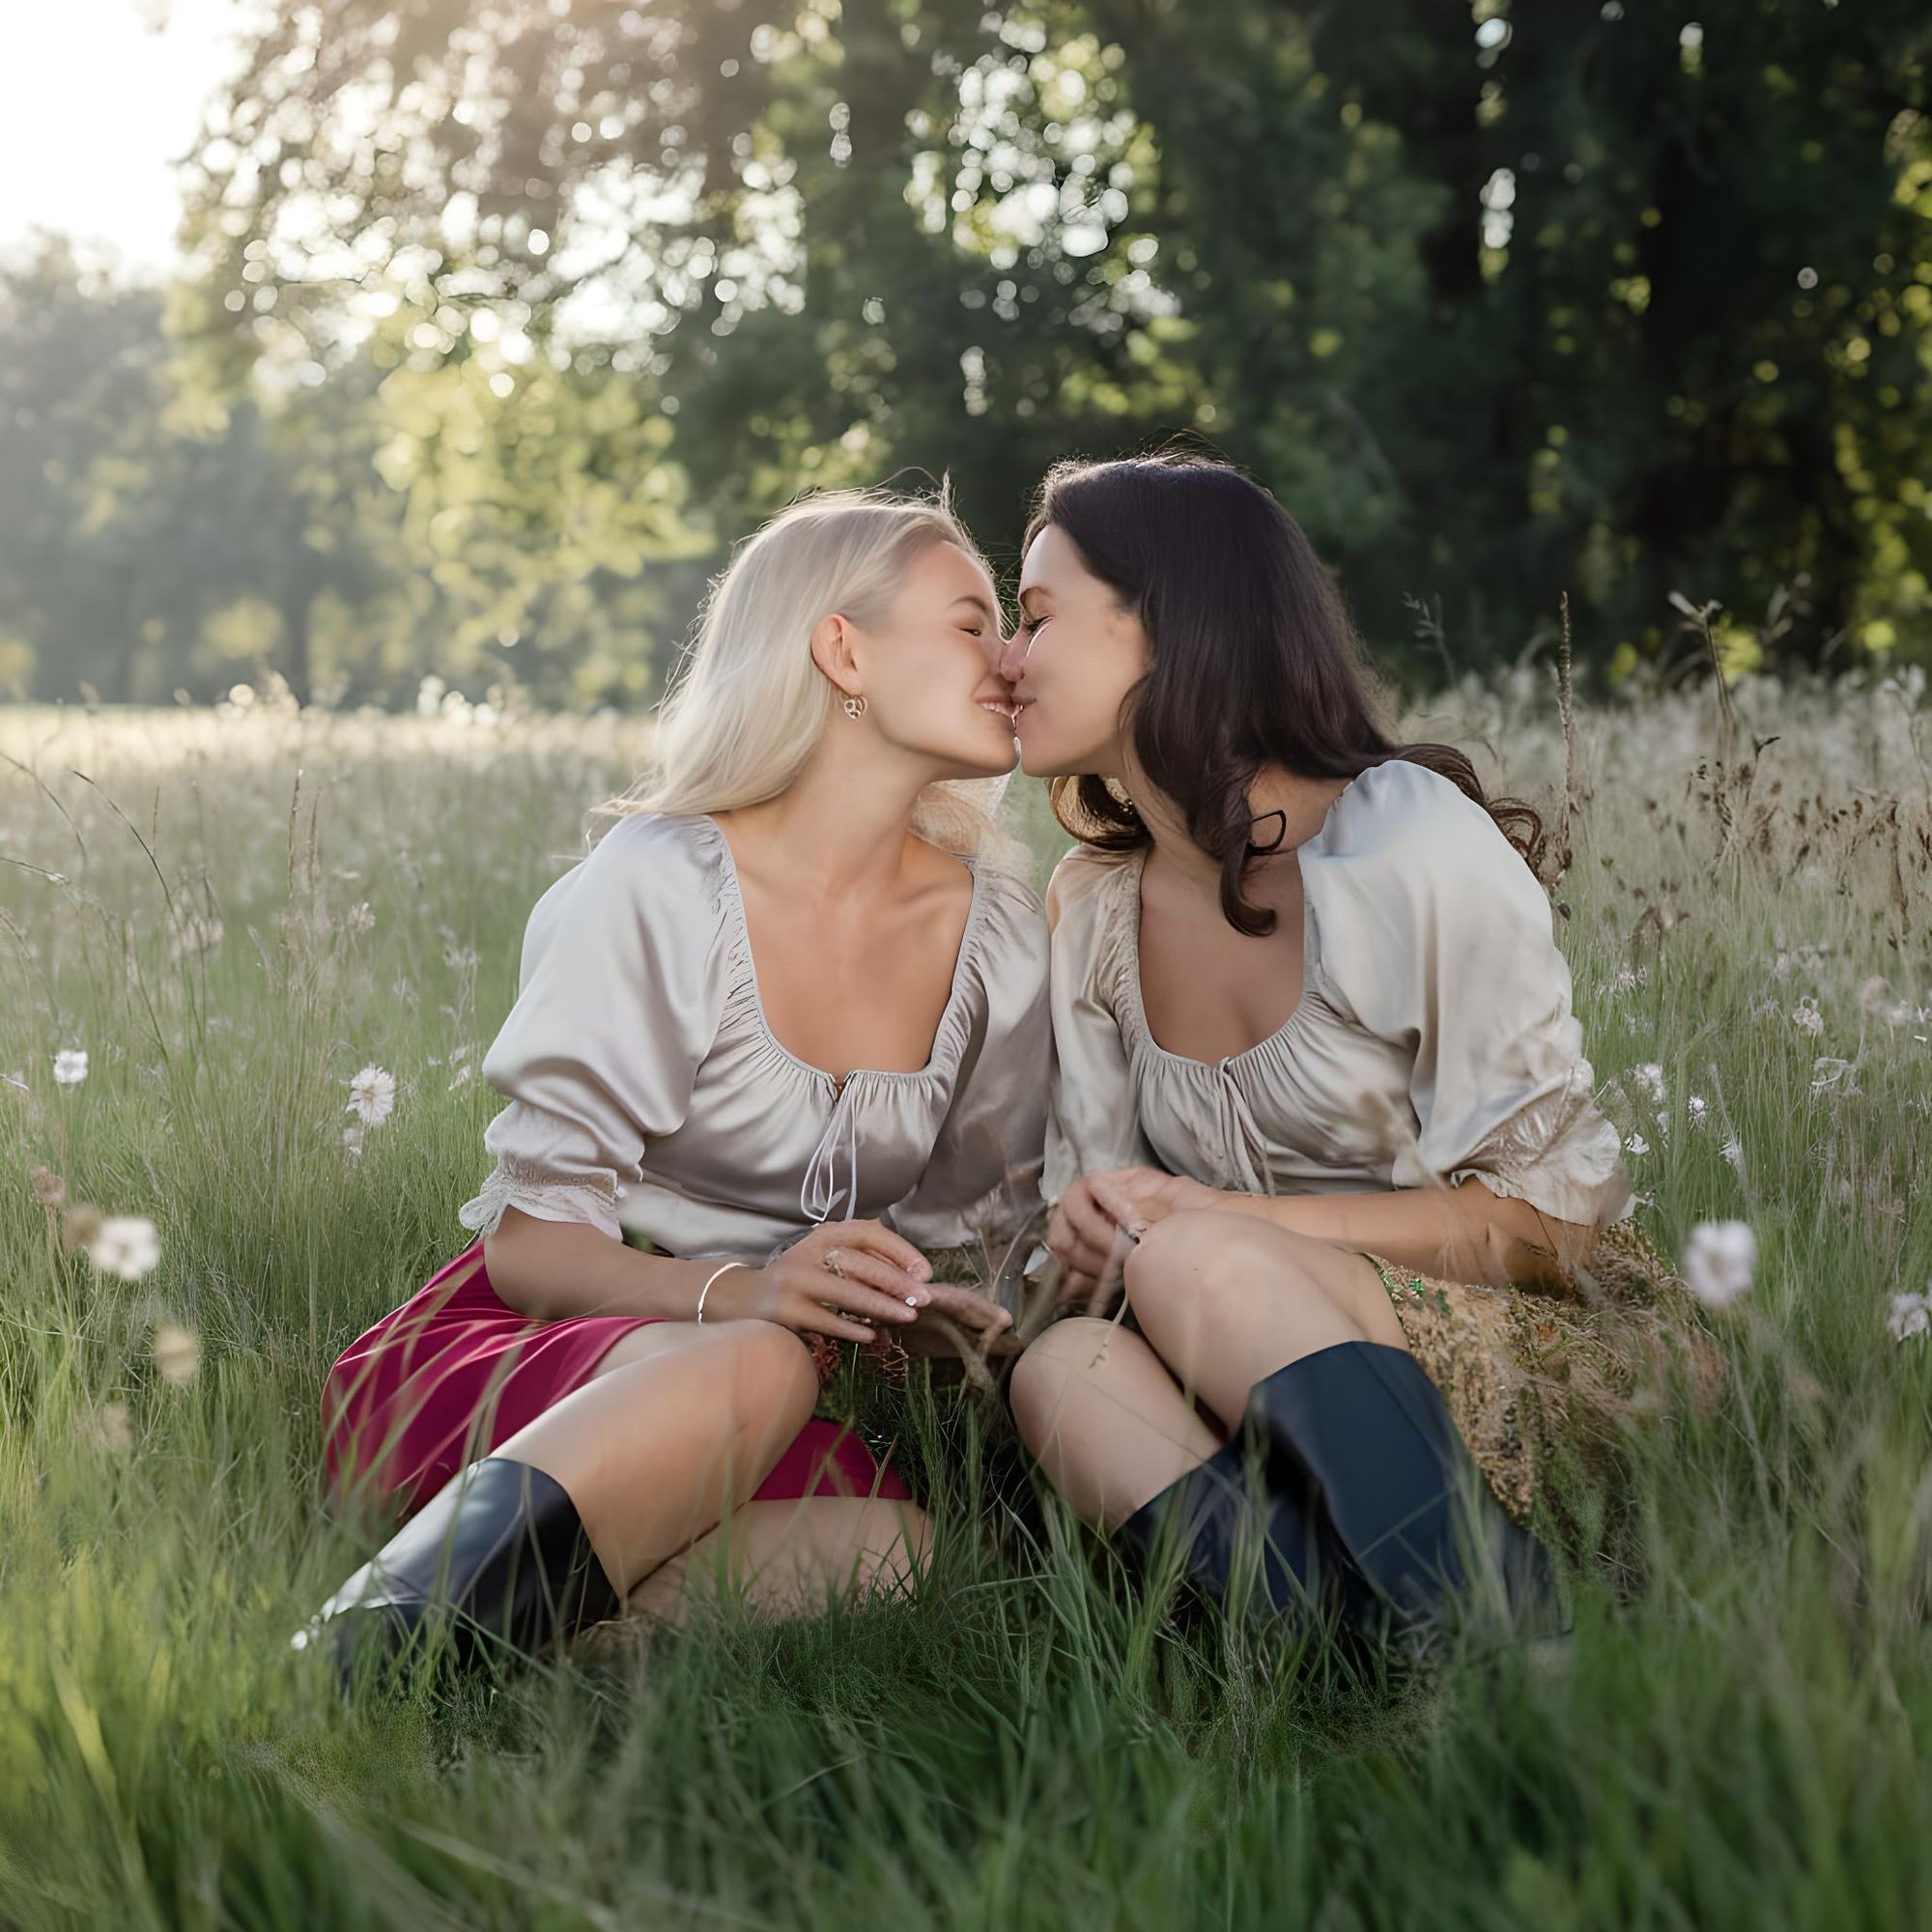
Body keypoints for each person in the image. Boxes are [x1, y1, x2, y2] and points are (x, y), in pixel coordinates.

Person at [302, 486, 1047, 1680]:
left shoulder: (996, 930)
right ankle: (342, 1661)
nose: (1009, 657)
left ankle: (515, 1674)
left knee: (895, 1550)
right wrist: (747, 1297)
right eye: (969, 621)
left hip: (768, 1385)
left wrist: (911, 1311)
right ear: (841, 646)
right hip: (552, 1351)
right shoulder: (659, 880)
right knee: (752, 1363)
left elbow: (978, 1227)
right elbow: (529, 1248)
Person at [1000, 451, 1687, 1643]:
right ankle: (1370, 1655)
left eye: (1035, 616)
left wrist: (1217, 1226)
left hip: (1520, 1346)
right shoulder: (1091, 904)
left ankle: (1514, 1640)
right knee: (1059, 1375)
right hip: (1234, 1354)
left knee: (1192, 1262)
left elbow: (1553, 1229)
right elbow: (1108, 1237)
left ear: (1165, 622)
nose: (1006, 659)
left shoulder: (1404, 846)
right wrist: (1088, 1235)